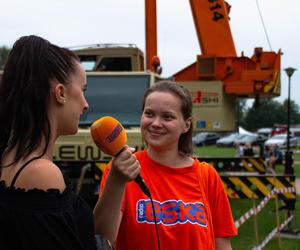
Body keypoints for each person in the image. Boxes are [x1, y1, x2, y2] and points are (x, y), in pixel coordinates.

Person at [94, 80, 237, 249]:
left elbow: (222, 243)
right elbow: (102, 238)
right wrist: (116, 181)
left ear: (186, 124)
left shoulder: (206, 175)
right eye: (149, 114)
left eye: (167, 117)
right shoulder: (123, 171)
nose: (155, 123)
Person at [0, 35, 97, 249]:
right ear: (60, 93)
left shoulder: (10, 156)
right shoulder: (41, 173)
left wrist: (116, 181)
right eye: (83, 91)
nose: (86, 105)